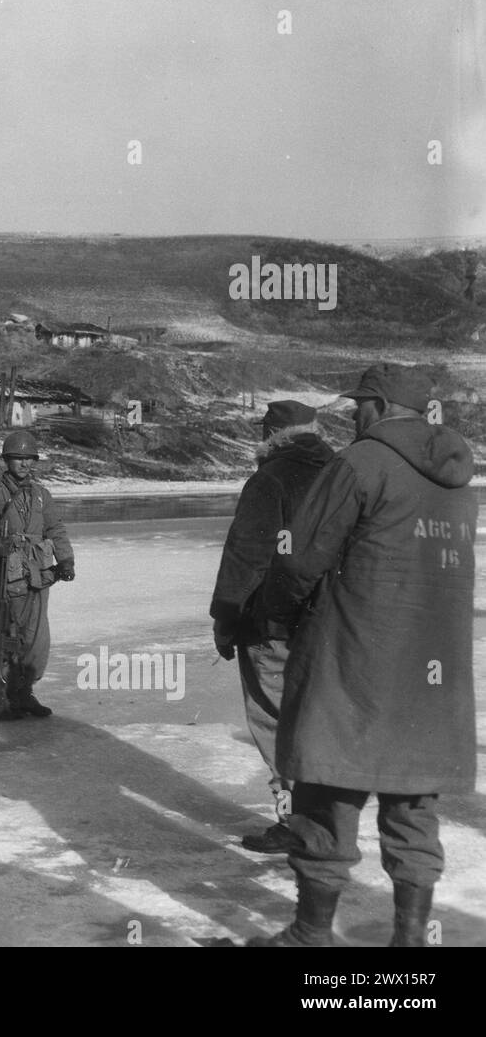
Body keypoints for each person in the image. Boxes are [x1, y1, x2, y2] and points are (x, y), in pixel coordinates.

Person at [250, 364, 477, 948]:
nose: (352, 415)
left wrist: (275, 614)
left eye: (358, 405)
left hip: (353, 655)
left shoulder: (358, 463)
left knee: (327, 791)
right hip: (433, 670)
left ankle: (311, 934)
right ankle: (407, 947)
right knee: (413, 805)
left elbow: (301, 558)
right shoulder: (458, 478)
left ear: (377, 405)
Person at [209, 401, 333, 853]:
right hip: (329, 625)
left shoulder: (270, 479)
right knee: (315, 720)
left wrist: (226, 616)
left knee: (276, 720)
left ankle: (295, 823)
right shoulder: (342, 473)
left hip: (273, 626)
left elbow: (247, 556)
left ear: (271, 433)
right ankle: (325, 817)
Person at [0, 430, 75, 721]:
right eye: (18, 458)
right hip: (5, 579)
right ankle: (7, 696)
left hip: (38, 578)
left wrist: (65, 560)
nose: (25, 464)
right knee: (10, 640)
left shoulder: (41, 496)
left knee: (38, 642)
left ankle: (24, 692)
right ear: (7, 461)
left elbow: (56, 529)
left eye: (29, 459)